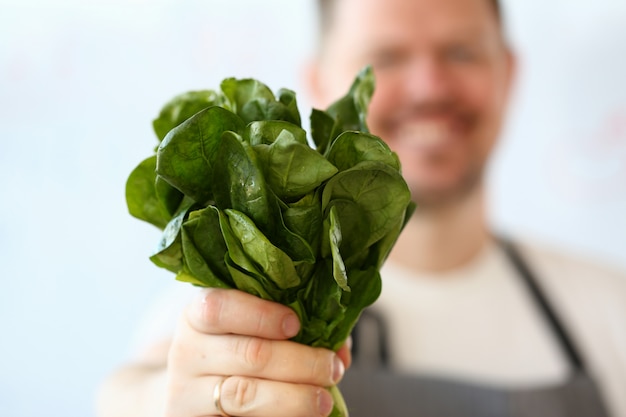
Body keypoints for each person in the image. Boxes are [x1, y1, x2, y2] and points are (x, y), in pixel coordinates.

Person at [97, 0, 626, 416]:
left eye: (461, 52)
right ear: (321, 83)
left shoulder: (609, 307)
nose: (430, 86)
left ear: (507, 73)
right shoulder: (242, 298)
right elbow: (128, 391)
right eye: (386, 58)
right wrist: (167, 400)